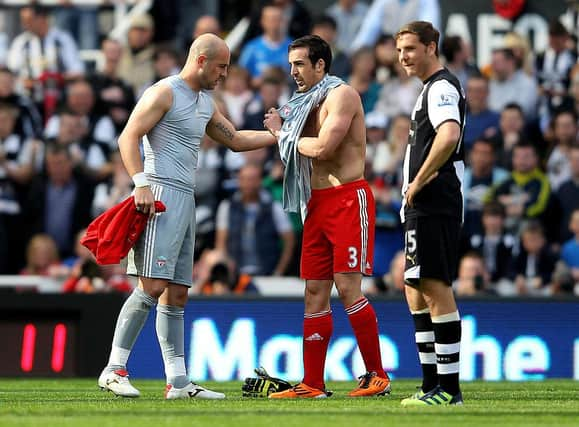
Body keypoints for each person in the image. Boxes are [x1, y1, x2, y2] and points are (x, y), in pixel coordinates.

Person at [97, 34, 278, 400]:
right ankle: (114, 369)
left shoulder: (203, 102)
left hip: (186, 198)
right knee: (150, 286)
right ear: (200, 59)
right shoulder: (164, 92)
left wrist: (278, 135)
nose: (225, 74)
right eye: (221, 66)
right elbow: (128, 137)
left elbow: (236, 139)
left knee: (177, 294)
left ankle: (178, 382)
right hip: (159, 194)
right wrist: (140, 184)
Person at [263, 35, 391, 399]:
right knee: (314, 291)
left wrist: (281, 133)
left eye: (300, 64)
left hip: (349, 199)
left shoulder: (343, 95)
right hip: (316, 202)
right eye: (291, 65)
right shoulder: (303, 104)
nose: (294, 72)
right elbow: (279, 137)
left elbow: (322, 147)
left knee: (347, 287)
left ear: (321, 65)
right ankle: (313, 384)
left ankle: (376, 375)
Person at [395, 21, 464, 406]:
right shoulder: (431, 88)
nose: (403, 56)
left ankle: (449, 391)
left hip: (435, 202)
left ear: (431, 47)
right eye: (400, 49)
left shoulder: (440, 86)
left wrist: (418, 182)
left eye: (410, 48)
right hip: (423, 204)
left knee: (434, 286)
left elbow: (449, 134)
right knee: (415, 288)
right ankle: (430, 384)